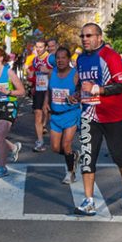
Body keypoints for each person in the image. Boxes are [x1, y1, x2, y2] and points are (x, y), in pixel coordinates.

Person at [74, 23, 122, 216]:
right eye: (82, 36)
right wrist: (77, 95)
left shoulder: (110, 56)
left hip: (112, 115)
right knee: (87, 157)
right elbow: (84, 86)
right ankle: (89, 200)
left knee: (119, 155)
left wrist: (98, 90)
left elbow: (121, 84)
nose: (85, 39)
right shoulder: (80, 59)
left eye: (89, 35)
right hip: (88, 115)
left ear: (99, 37)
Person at [0, 47, 24, 178]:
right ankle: (13, 148)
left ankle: (2, 167)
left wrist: (9, 92)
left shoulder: (9, 73)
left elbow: (22, 91)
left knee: (0, 137)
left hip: (8, 105)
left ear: (1, 58)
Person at [46, 46, 81, 184]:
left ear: (68, 59)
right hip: (55, 115)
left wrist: (76, 95)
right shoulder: (51, 73)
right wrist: (45, 103)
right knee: (55, 148)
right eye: (58, 58)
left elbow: (81, 91)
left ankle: (70, 173)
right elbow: (49, 91)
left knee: (66, 144)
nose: (60, 60)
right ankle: (73, 155)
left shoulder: (75, 74)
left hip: (71, 113)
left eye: (63, 58)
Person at [27, 40, 54, 152]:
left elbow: (61, 72)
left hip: (51, 90)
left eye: (41, 47)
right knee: (38, 114)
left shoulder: (51, 58)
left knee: (52, 114)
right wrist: (31, 79)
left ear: (46, 47)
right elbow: (34, 75)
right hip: (39, 90)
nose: (38, 49)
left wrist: (48, 71)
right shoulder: (35, 60)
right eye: (37, 47)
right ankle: (40, 141)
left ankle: (59, 138)